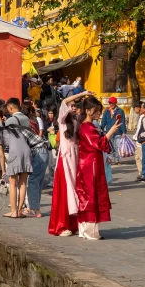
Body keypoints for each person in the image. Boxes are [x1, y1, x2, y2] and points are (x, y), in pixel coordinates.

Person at [76, 96, 117, 240]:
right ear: (88, 111)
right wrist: (111, 131)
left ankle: (85, 229)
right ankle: (90, 231)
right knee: (91, 195)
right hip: (90, 165)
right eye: (96, 111)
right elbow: (99, 144)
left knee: (87, 194)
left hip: (88, 163)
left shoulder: (87, 126)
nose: (98, 114)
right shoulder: (87, 127)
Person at [48, 90, 88, 236]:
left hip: (75, 159)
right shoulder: (63, 120)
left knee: (75, 191)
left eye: (74, 106)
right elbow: (64, 102)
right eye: (71, 106)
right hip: (65, 160)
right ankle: (60, 226)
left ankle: (72, 224)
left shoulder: (76, 120)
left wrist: (84, 99)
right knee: (65, 192)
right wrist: (81, 93)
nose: (72, 107)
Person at [100, 96, 126, 168]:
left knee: (117, 146)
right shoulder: (107, 111)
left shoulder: (120, 111)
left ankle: (117, 160)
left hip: (118, 131)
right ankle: (110, 159)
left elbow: (122, 121)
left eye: (112, 103)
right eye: (109, 103)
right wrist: (101, 128)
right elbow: (104, 121)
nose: (111, 104)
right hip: (109, 131)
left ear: (115, 103)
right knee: (109, 147)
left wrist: (124, 132)